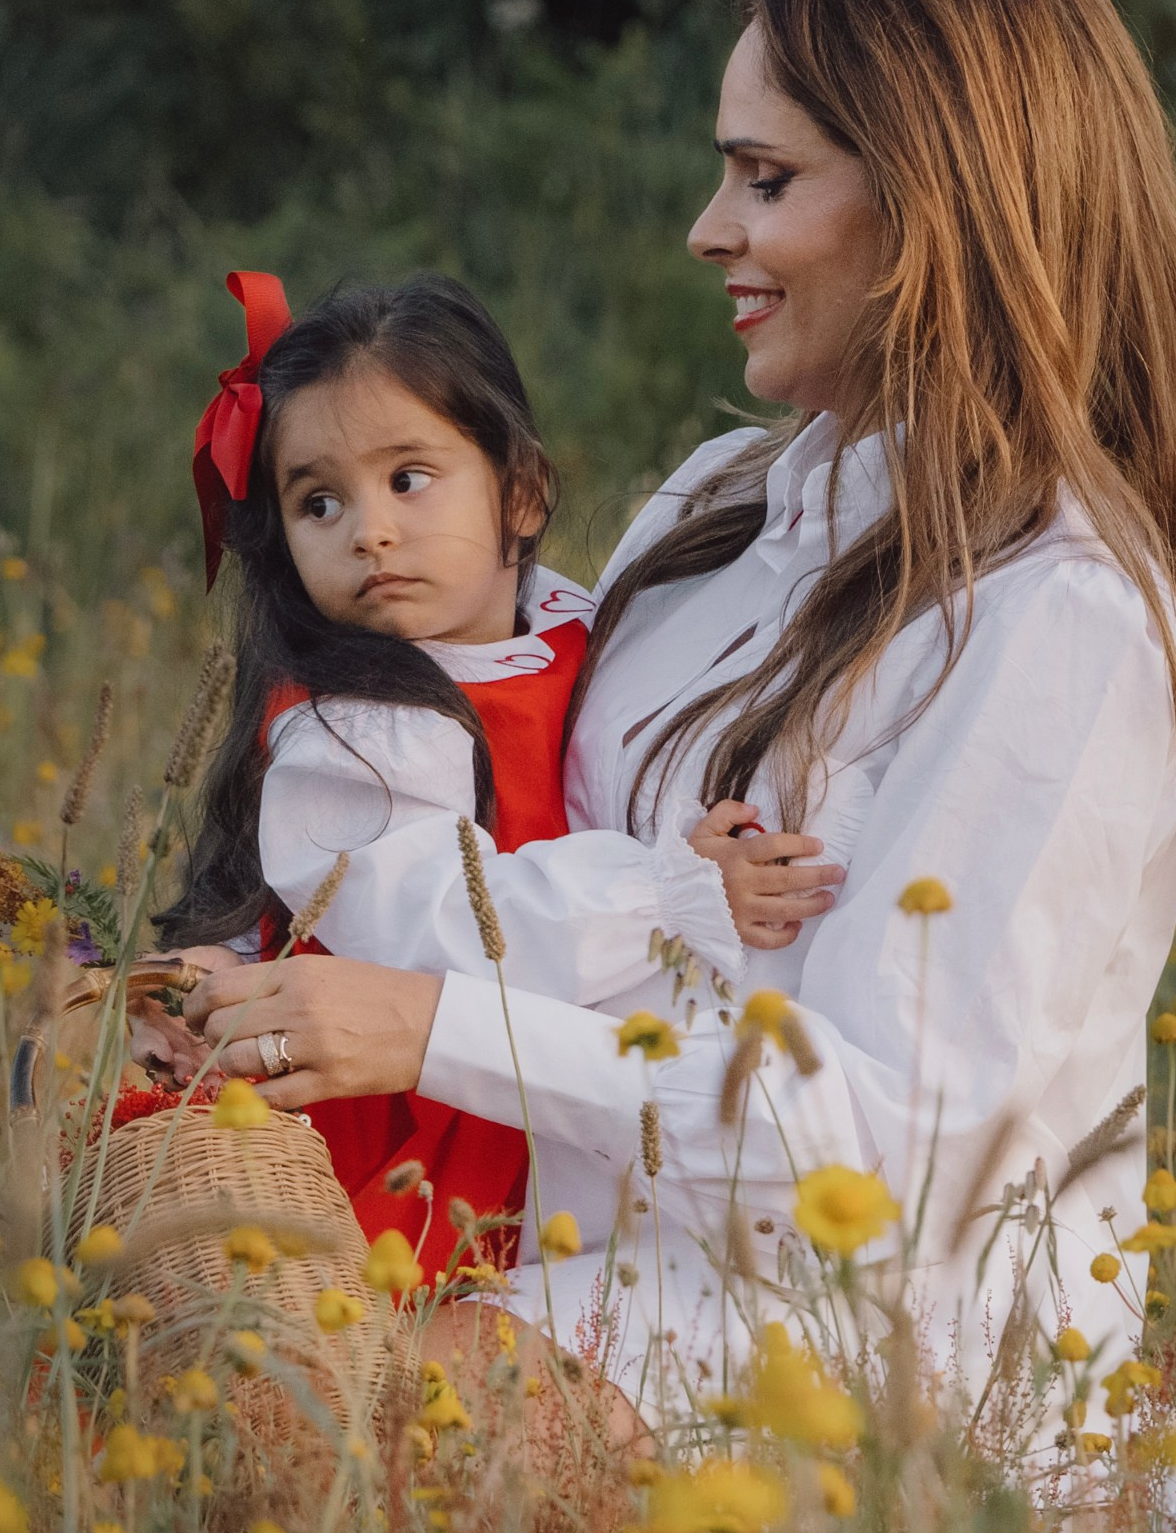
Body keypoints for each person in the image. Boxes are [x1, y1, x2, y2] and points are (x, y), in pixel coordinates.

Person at [182, 0, 1176, 1420]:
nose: (708, 229)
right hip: (551, 1251)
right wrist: (238, 961)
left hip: (852, 1352)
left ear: (937, 204)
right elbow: (469, 804)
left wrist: (429, 1030)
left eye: (766, 178)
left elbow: (903, 1151)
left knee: (357, 1450)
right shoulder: (711, 511)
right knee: (202, 1403)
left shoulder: (1064, 616)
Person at [159, 273, 841, 1283]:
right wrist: (669, 894)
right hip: (413, 1109)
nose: (369, 531)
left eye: (408, 478)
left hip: (538, 1079)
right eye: (319, 502)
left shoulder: (564, 621)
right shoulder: (355, 730)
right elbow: (442, 927)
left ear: (519, 494)